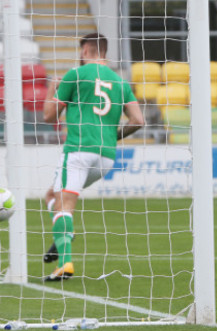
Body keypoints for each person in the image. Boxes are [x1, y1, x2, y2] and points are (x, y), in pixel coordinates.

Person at [42, 32, 145, 281]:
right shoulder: (120, 82)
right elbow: (138, 120)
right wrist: (112, 136)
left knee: (65, 206)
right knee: (51, 196)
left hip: (78, 150)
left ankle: (65, 263)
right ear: (104, 52)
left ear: (85, 50)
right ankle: (64, 234)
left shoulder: (75, 75)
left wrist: (51, 88)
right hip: (106, 158)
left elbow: (48, 116)